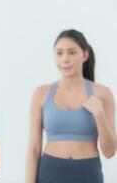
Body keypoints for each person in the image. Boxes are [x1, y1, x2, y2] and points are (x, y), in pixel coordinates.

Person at [25, 29, 116, 183]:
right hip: (49, 173)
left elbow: (109, 152)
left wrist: (99, 114)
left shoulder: (102, 94)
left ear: (85, 55)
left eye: (72, 52)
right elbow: (34, 148)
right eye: (59, 53)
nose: (65, 59)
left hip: (87, 174)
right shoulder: (41, 93)